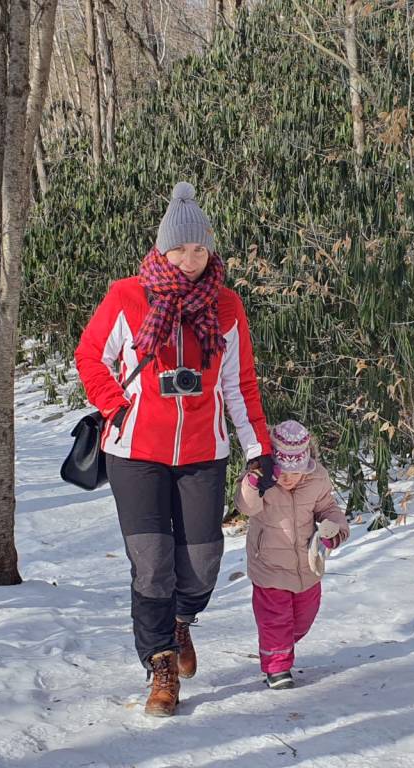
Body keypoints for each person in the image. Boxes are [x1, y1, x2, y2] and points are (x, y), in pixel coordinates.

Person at [74, 181, 277, 716]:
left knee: (203, 563)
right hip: (135, 453)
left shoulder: (227, 306)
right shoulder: (128, 296)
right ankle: (160, 662)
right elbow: (90, 357)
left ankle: (181, 621)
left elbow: (239, 385)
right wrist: (116, 406)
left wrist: (258, 449)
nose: (191, 259)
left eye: (200, 248)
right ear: (162, 249)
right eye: (181, 249)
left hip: (203, 454)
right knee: (152, 564)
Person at [235, 419, 350, 689]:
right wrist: (253, 482)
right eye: (282, 471)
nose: (288, 478)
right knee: (275, 620)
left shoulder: (317, 479)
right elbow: (246, 506)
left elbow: (328, 509)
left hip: (307, 566)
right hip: (269, 567)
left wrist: (335, 531)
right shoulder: (262, 481)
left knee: (303, 618)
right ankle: (277, 668)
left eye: (295, 472)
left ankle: (281, 645)